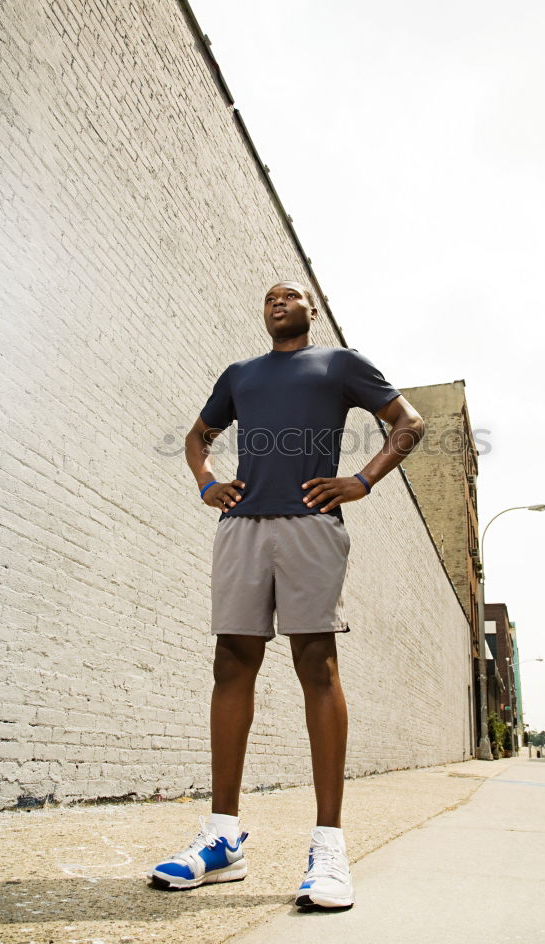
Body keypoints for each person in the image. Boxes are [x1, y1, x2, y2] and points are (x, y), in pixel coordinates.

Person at [149, 282, 424, 908]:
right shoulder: (240, 374)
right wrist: (206, 482)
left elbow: (409, 423)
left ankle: (329, 846)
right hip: (241, 526)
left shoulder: (340, 364)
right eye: (269, 296)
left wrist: (361, 480)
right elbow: (198, 439)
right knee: (231, 662)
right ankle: (222, 840)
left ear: (311, 310)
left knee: (316, 664)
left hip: (310, 526)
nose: (278, 301)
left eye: (290, 294)